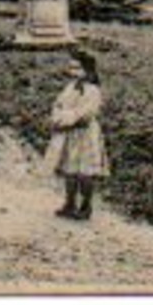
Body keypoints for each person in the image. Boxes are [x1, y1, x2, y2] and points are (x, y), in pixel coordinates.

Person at [46, 50, 108, 220]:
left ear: (87, 70)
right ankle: (69, 203)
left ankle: (86, 206)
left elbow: (86, 113)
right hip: (70, 134)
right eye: (71, 68)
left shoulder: (93, 91)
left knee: (85, 171)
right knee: (69, 169)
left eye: (77, 68)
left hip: (85, 133)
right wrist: (57, 117)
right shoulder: (70, 87)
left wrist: (66, 118)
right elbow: (58, 104)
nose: (72, 71)